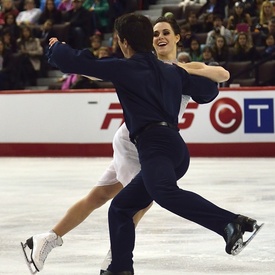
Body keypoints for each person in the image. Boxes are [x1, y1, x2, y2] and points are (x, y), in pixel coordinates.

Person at [20, 14, 241, 275]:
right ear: (148, 39)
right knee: (140, 200)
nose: (160, 37)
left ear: (177, 37)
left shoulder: (179, 68)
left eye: (166, 33)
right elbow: (96, 72)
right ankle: (116, 260)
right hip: (134, 141)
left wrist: (183, 69)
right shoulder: (147, 67)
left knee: (101, 196)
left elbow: (221, 75)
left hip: (150, 139)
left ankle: (47, 239)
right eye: (156, 33)